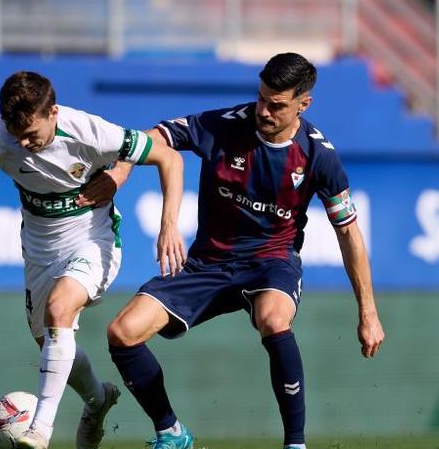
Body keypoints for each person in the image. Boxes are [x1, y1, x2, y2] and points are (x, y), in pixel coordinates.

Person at [99, 53, 385, 449]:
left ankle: (295, 444)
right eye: (261, 97)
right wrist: (121, 171)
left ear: (304, 103)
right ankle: (171, 432)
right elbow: (158, 137)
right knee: (122, 332)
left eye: (277, 104)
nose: (263, 110)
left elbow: (349, 234)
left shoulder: (320, 157)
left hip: (271, 261)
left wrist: (368, 313)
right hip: (207, 262)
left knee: (273, 318)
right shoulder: (224, 125)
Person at [0, 71, 186, 449]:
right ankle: (98, 399)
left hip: (92, 239)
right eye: (16, 133)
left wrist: (166, 223)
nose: (23, 143)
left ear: (52, 112)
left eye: (31, 134)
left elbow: (167, 157)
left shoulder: (88, 130)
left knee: (59, 308)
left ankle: (40, 430)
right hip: (38, 251)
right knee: (49, 339)